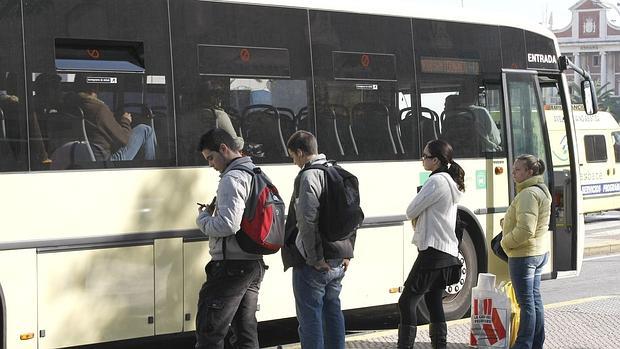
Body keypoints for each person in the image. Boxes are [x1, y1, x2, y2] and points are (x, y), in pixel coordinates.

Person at [281, 130, 355, 349]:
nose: (294, 161)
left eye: (293, 156)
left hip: (315, 262)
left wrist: (315, 258)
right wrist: (348, 251)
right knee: (333, 310)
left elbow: (306, 220)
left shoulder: (308, 176)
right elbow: (353, 216)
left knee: (310, 317)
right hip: (339, 257)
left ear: (301, 152)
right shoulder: (338, 171)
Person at [195, 128, 266, 349]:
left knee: (210, 330)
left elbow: (228, 224)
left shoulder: (232, 178)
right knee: (245, 334)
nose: (210, 164)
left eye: (211, 157)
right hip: (253, 264)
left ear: (224, 149)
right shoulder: (255, 172)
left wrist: (203, 219)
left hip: (232, 268)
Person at [398, 139, 465, 349]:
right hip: (447, 251)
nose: (422, 159)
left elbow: (411, 210)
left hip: (433, 252)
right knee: (433, 300)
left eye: (425, 156)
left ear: (435, 160)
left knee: (406, 301)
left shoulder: (436, 182)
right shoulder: (449, 181)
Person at [500, 154, 551, 349]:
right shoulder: (541, 190)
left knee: (526, 303)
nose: (513, 173)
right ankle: (536, 342)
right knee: (534, 300)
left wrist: (506, 243)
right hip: (538, 252)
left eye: (518, 170)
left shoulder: (527, 194)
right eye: (513, 169)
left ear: (530, 172)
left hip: (524, 255)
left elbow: (526, 229)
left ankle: (523, 344)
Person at [71, 74, 156, 161]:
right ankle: (151, 167)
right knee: (145, 130)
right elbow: (123, 138)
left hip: (80, 157)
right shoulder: (99, 108)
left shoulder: (73, 106)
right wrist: (125, 121)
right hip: (106, 161)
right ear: (94, 87)